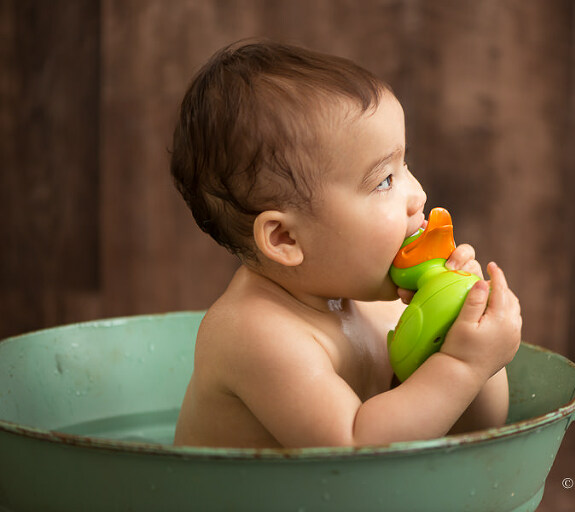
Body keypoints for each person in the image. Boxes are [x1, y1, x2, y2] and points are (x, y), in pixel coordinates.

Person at [171, 41, 522, 449]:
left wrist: (472, 342)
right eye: (384, 181)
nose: (419, 194)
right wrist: (460, 366)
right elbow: (355, 452)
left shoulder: (383, 303)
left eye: (404, 165)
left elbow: (474, 429)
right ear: (286, 238)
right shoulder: (254, 333)